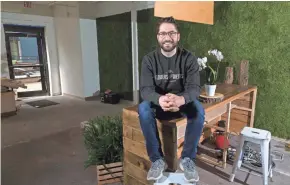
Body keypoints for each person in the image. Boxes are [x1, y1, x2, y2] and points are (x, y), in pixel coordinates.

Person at [138, 16, 205, 183]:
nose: (167, 37)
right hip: (158, 103)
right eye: (163, 33)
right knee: (143, 109)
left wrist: (181, 99)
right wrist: (159, 99)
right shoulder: (149, 60)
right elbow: (146, 90)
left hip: (182, 102)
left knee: (199, 110)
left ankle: (188, 158)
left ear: (178, 36)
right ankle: (157, 160)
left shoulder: (188, 58)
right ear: (158, 37)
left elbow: (194, 88)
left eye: (171, 33)